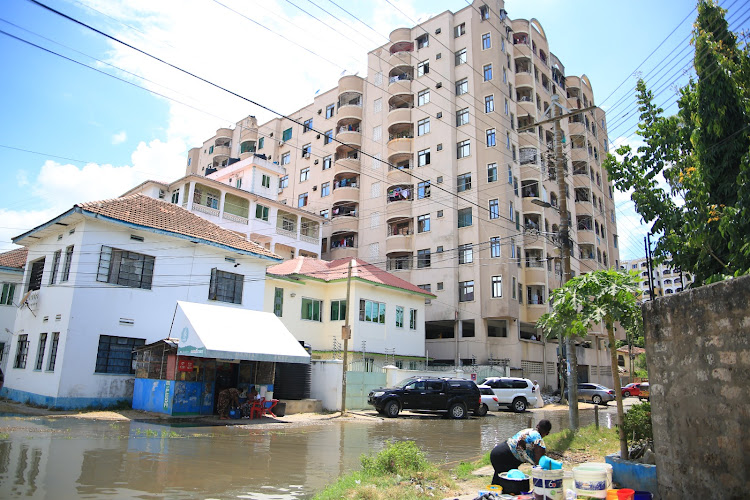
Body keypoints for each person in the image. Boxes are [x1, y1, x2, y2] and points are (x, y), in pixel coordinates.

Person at [490, 419, 552, 485]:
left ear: (537, 426)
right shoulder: (538, 439)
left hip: (498, 451)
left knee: (499, 481)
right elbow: (539, 462)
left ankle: (492, 493)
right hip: (506, 457)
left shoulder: (528, 431)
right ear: (547, 433)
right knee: (510, 484)